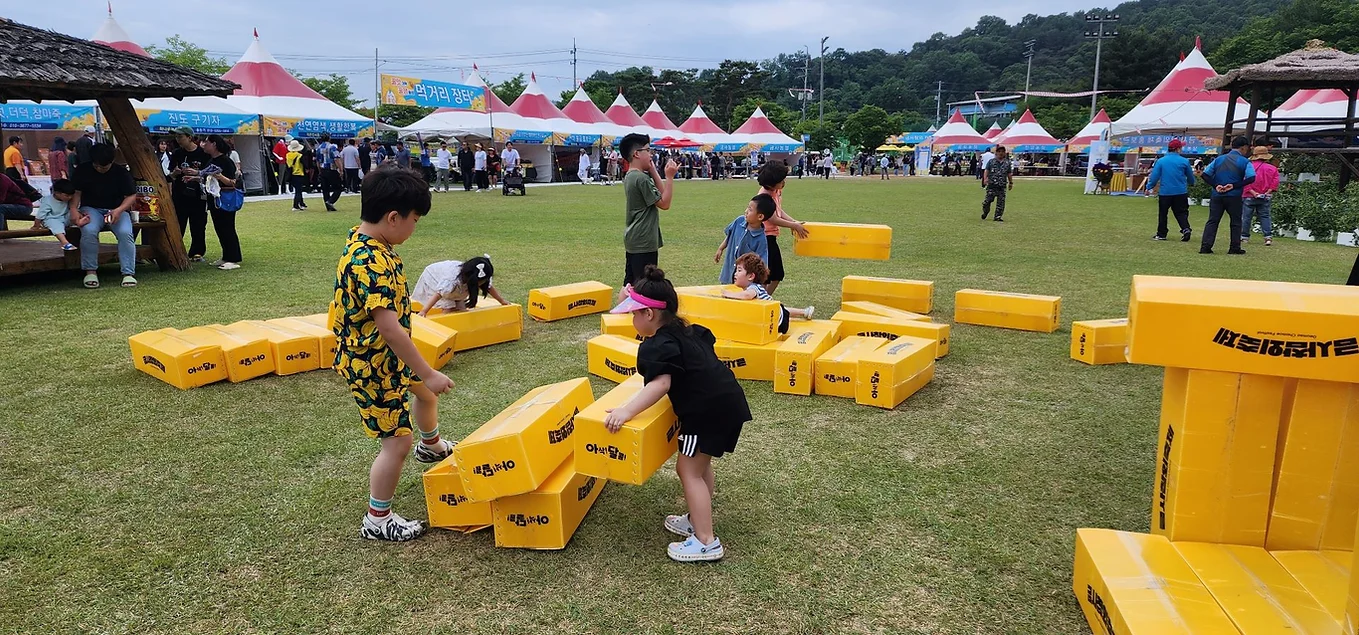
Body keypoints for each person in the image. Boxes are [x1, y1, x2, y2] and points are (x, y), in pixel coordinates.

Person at [330, 168, 454, 542]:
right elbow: (389, 329)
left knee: (424, 394)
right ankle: (377, 519)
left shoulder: (369, 243)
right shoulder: (371, 262)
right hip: (372, 364)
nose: (415, 228)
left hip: (387, 357)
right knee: (396, 443)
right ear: (393, 217)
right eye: (415, 220)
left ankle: (431, 446)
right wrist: (428, 371)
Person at [604, 265, 751, 562]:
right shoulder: (685, 330)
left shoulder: (657, 345)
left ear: (649, 314)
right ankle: (697, 520)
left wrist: (626, 410)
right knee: (699, 466)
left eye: (634, 313)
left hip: (706, 411)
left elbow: (660, 383)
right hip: (725, 402)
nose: (631, 318)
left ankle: (707, 541)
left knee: (688, 470)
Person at [70, 143, 138, 288]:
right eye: (97, 166)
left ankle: (128, 273)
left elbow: (131, 196)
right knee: (89, 230)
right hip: (91, 209)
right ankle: (91, 272)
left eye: (104, 167)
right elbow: (77, 192)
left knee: (125, 233)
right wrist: (74, 209)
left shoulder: (121, 172)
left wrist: (119, 210)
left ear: (112, 162)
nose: (100, 169)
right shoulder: (83, 170)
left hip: (117, 209)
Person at [619, 133, 678, 298]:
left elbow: (660, 194)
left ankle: (620, 314)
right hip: (643, 239)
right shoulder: (641, 179)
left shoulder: (632, 176)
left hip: (634, 238)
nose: (651, 154)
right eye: (648, 150)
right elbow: (665, 203)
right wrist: (670, 178)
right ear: (636, 154)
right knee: (644, 285)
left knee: (629, 282)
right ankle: (639, 316)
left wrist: (652, 170)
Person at [754, 163, 810, 295]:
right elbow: (772, 218)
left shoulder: (776, 190)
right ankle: (760, 299)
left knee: (777, 274)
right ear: (772, 184)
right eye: (781, 181)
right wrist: (793, 225)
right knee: (765, 275)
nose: (784, 182)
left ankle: (765, 298)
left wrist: (793, 221)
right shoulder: (764, 196)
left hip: (771, 237)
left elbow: (779, 211)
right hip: (764, 238)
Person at [723, 253, 814, 334]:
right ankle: (804, 312)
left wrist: (729, 294)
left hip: (778, 323)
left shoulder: (753, 288)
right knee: (782, 309)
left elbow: (747, 295)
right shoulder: (753, 288)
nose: (735, 274)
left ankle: (803, 312)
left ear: (751, 276)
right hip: (778, 313)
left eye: (739, 270)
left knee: (782, 310)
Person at [1198, 135, 1256, 255]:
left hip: (1217, 194)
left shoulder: (1219, 159)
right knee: (1235, 222)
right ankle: (1234, 247)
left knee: (1213, 221)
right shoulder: (1245, 161)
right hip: (1234, 195)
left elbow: (1205, 174)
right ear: (1244, 148)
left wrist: (1216, 185)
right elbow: (1251, 178)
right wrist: (1234, 185)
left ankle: (1205, 247)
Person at [412, 255, 511, 316]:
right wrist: (424, 311)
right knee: (448, 306)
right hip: (434, 277)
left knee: (461, 309)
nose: (483, 283)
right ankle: (446, 327)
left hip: (454, 283)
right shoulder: (451, 280)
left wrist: (502, 301)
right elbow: (438, 294)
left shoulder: (473, 278)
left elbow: (489, 287)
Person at [167, 126, 211, 261]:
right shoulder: (176, 153)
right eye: (176, 137)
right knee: (178, 224)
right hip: (179, 194)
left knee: (198, 224)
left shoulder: (204, 154)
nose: (178, 139)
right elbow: (171, 175)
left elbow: (211, 175)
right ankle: (176, 251)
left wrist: (197, 174)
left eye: (180, 137)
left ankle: (197, 252)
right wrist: (175, 173)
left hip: (198, 195)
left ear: (190, 137)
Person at [715, 193, 774, 284]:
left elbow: (762, 263)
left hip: (743, 282)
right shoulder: (739, 221)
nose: (746, 211)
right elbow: (729, 236)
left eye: (750, 210)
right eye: (747, 207)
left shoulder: (761, 239)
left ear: (760, 216)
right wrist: (720, 248)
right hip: (728, 273)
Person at [1144, 138, 1195, 242]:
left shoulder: (1161, 161)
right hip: (1180, 191)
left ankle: (1161, 233)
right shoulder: (1184, 161)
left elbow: (1155, 176)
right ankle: (1185, 228)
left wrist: (1149, 187)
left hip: (1165, 192)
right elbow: (1190, 177)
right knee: (1181, 212)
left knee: (1163, 213)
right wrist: (1192, 183)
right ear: (1177, 149)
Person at [1242, 145, 1279, 247]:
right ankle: (1267, 237)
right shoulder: (1273, 168)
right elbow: (1275, 182)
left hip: (1249, 195)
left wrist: (1253, 192)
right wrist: (1268, 192)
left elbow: (1245, 181)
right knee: (1265, 216)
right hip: (1265, 195)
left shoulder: (1248, 167)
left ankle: (1244, 237)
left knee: (1246, 217)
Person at [32, 178, 77, 250]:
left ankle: (80, 222)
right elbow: (40, 215)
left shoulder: (68, 200)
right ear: (57, 193)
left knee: (76, 213)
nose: (70, 197)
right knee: (56, 225)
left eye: (71, 195)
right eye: (67, 195)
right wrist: (36, 226)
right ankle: (65, 243)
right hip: (52, 219)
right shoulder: (47, 201)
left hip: (64, 218)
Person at [981, 145, 1013, 222]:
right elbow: (986, 170)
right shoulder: (991, 161)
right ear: (996, 153)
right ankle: (985, 212)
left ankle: (997, 216)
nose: (1001, 153)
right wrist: (985, 179)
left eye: (1002, 151)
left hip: (1002, 186)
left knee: (1001, 203)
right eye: (999, 151)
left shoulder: (1007, 163)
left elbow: (1009, 173)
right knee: (987, 202)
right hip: (992, 185)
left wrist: (1011, 182)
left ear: (1005, 153)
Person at [316, 133, 343, 212]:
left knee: (325, 189)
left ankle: (328, 206)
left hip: (323, 169)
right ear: (329, 138)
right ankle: (330, 201)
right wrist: (341, 170)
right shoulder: (332, 147)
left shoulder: (319, 148)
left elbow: (317, 161)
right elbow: (336, 159)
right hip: (332, 169)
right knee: (338, 188)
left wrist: (320, 171)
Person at [286, 140, 308, 211]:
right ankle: (295, 205)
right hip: (299, 174)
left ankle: (301, 203)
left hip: (291, 175)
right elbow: (305, 165)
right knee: (298, 191)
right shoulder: (299, 156)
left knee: (298, 190)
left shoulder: (288, 155)